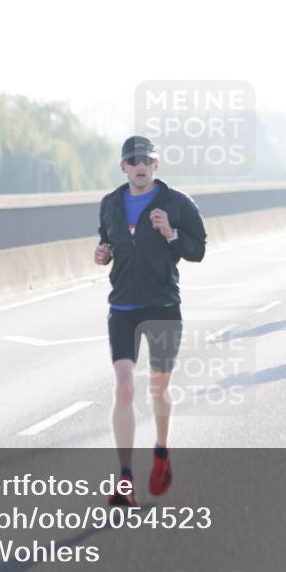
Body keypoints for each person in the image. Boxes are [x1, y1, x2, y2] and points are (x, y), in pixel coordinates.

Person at [95, 136, 207, 507]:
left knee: (158, 388)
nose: (139, 166)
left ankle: (161, 451)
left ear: (156, 164)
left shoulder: (177, 203)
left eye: (146, 160)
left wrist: (171, 233)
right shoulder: (110, 204)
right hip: (123, 306)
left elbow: (198, 250)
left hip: (162, 305)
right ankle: (125, 478)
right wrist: (103, 254)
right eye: (133, 161)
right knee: (124, 387)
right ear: (123, 167)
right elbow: (108, 243)